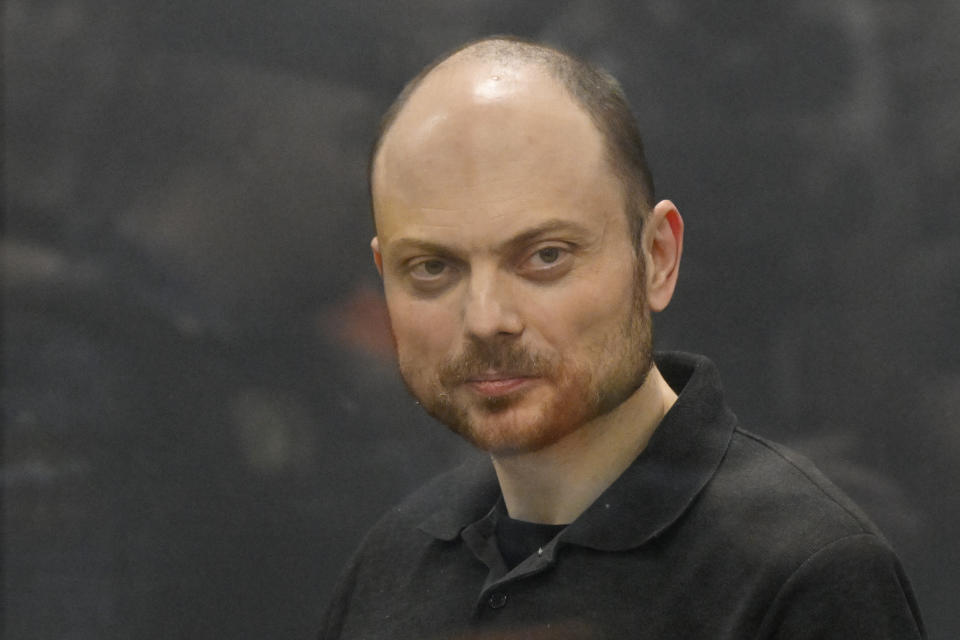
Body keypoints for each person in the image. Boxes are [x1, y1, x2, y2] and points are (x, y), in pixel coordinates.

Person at [320, 36, 925, 639]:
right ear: (383, 277)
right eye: (431, 267)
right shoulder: (392, 562)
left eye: (546, 255)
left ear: (657, 257)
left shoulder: (804, 574)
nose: (485, 319)